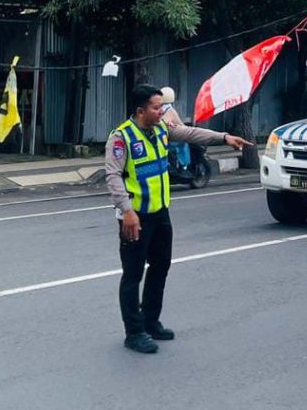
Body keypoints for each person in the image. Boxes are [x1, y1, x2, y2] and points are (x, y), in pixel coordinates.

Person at [105, 84, 251, 354]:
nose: (162, 111)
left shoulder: (161, 130)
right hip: (135, 217)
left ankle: (151, 321)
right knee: (133, 274)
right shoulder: (121, 138)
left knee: (161, 266)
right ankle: (134, 332)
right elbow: (113, 176)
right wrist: (126, 211)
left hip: (161, 213)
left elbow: (190, 133)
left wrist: (224, 137)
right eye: (156, 107)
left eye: (162, 106)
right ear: (140, 111)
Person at [160, 87, 191, 169]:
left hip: (161, 137)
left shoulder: (159, 108)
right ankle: (184, 165)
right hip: (169, 139)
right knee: (184, 143)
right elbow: (180, 124)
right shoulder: (170, 110)